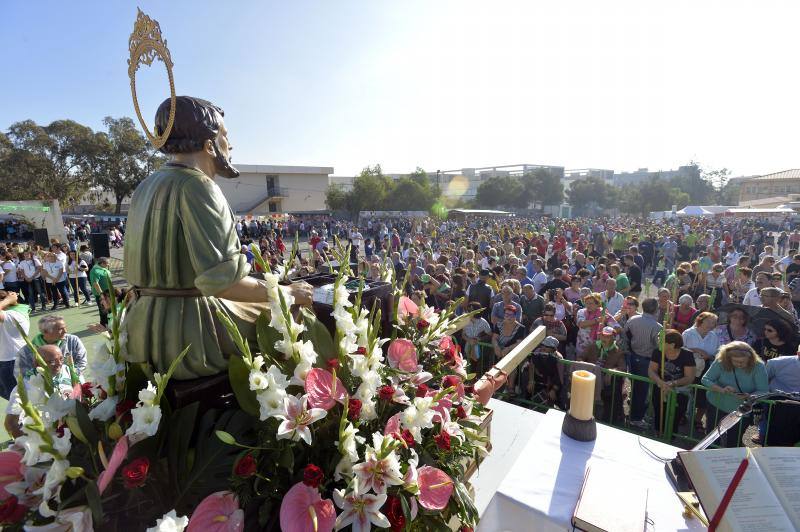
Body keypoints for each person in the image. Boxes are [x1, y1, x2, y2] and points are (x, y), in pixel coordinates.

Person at [5, 344, 82, 439]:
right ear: (37, 364)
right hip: (49, 437)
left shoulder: (66, 369)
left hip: (74, 429)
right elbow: (10, 423)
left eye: (61, 359)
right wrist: (28, 445)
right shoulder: (24, 387)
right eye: (52, 361)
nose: (59, 364)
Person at [702, 342, 768, 447]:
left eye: (742, 362)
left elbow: (764, 390)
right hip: (716, 403)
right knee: (712, 437)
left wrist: (749, 396)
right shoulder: (721, 361)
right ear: (728, 358)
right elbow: (706, 379)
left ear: (750, 358)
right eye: (736, 361)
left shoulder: (759, 367)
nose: (739, 364)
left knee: (734, 440)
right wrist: (721, 389)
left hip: (741, 409)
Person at [624, 297, 664, 429]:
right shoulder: (657, 327)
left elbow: (627, 336)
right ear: (656, 310)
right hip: (646, 360)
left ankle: (635, 412)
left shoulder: (632, 319)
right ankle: (636, 418)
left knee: (636, 386)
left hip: (633, 356)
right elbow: (660, 347)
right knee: (642, 391)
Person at [648, 329, 696, 435]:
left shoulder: (687, 355)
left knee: (675, 415)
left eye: (661, 341)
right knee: (659, 412)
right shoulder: (657, 352)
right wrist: (660, 382)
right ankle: (658, 434)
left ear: (672, 345)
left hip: (679, 390)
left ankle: (670, 437)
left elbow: (689, 377)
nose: (658, 342)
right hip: (660, 388)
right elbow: (651, 370)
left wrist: (672, 383)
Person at [15, 314, 87, 379]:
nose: (65, 331)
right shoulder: (26, 351)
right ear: (45, 332)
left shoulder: (73, 340)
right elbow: (22, 374)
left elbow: (82, 361)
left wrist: (68, 377)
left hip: (72, 381)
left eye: (65, 327)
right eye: (60, 329)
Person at [582, 326, 626, 424]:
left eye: (607, 337)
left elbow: (622, 368)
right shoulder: (592, 346)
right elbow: (580, 358)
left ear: (613, 338)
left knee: (614, 391)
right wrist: (589, 368)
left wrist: (611, 371)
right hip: (590, 380)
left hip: (606, 385)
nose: (604, 338)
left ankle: (609, 421)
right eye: (602, 336)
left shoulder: (618, 351)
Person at [0, 290, 29, 400]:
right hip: (5, 362)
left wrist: (8, 300)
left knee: (19, 401)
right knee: (15, 400)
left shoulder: (14, 315)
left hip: (13, 362)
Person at [492, 304, 527, 394]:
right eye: (506, 314)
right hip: (499, 352)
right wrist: (496, 346)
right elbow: (494, 337)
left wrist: (507, 349)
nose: (508, 317)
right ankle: (496, 388)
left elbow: (519, 342)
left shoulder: (521, 328)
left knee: (512, 369)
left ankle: (510, 389)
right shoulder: (498, 325)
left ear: (515, 316)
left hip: (513, 354)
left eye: (511, 315)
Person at [90, 257, 113, 330]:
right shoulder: (95, 271)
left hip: (108, 293)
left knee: (109, 309)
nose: (108, 264)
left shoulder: (103, 269)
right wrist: (101, 294)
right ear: (102, 263)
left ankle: (108, 323)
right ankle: (103, 324)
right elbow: (95, 283)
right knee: (103, 310)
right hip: (101, 295)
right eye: (107, 263)